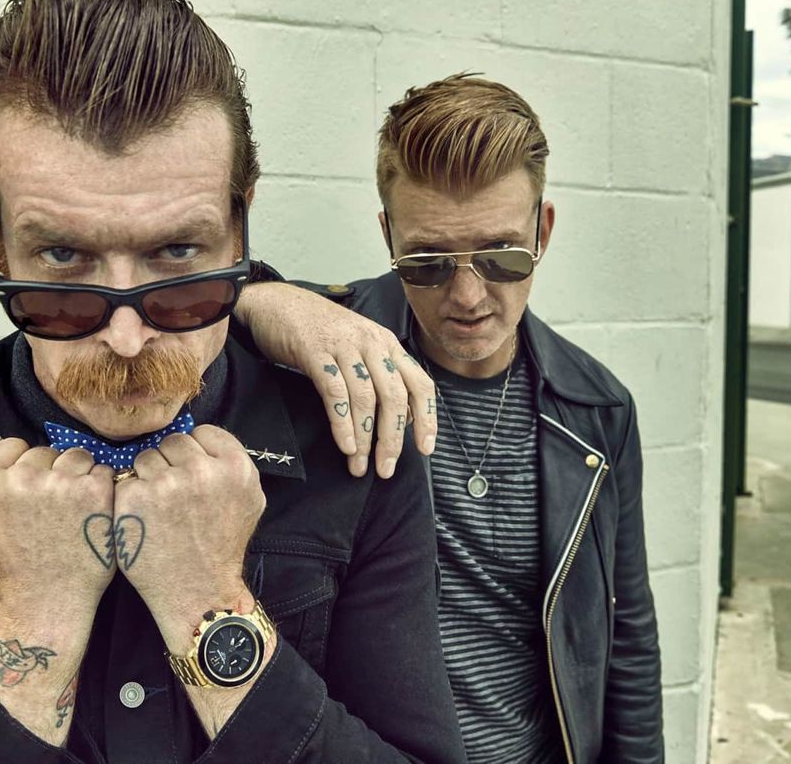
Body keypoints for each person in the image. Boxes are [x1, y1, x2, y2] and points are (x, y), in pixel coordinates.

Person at [0, 0, 466, 763]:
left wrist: (209, 603)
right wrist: (35, 615)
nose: (129, 337)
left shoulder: (356, 459)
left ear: (239, 224)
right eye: (61, 257)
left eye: (177, 252)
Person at [235, 74, 665, 763]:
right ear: (388, 236)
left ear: (543, 231)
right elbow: (182, 307)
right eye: (429, 262)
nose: (468, 295)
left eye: (500, 257)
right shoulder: (327, 361)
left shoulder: (597, 410)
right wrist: (262, 297)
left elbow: (627, 637)